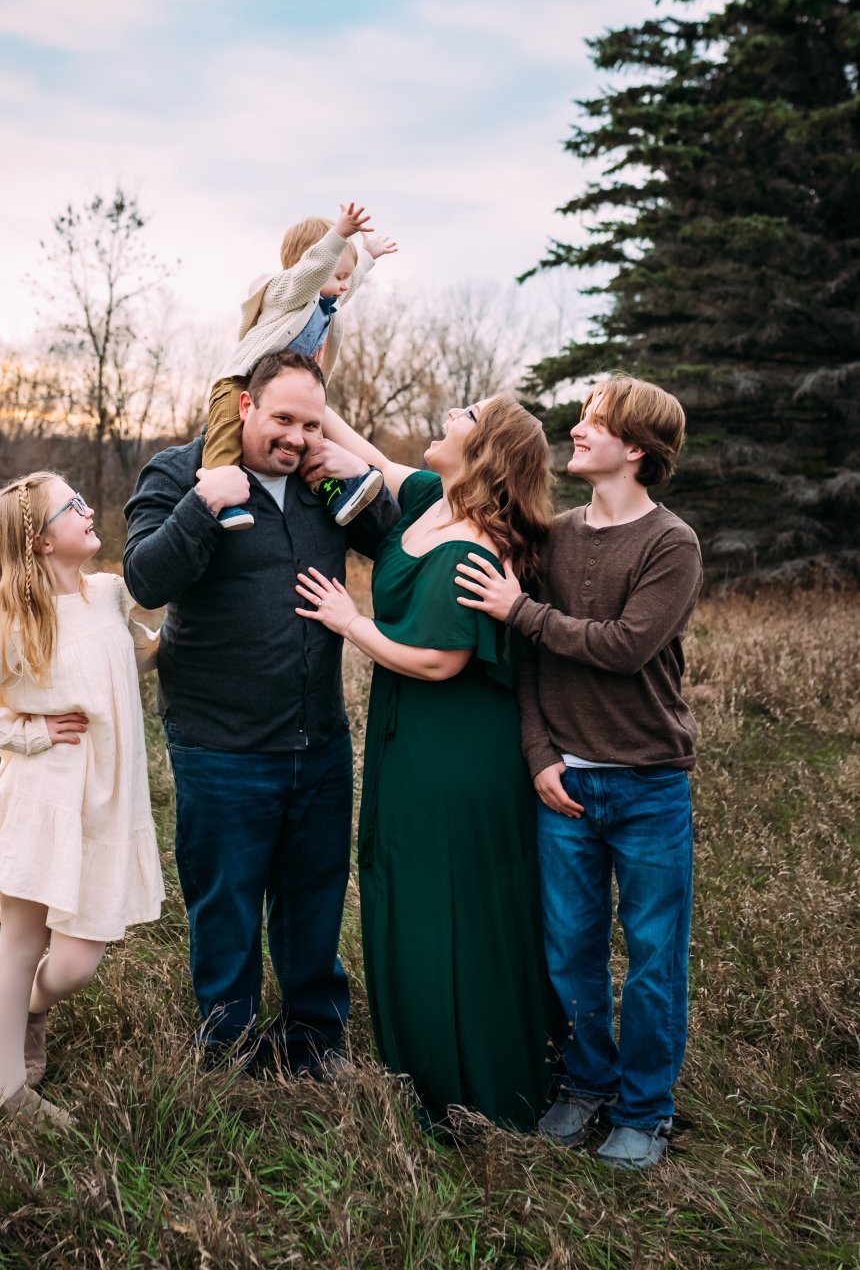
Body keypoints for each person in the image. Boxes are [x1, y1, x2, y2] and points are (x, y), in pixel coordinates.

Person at [122, 350, 399, 1075]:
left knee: (313, 898)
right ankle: (229, 1045)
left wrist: (360, 479)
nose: (296, 437)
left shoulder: (320, 480)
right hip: (220, 742)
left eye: (310, 423)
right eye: (283, 419)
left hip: (319, 735)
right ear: (245, 406)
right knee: (227, 903)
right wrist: (205, 501)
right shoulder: (177, 472)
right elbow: (145, 579)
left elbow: (396, 543)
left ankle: (313, 1039)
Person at [454, 375, 702, 1170]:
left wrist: (518, 610)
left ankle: (646, 1110)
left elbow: (626, 646)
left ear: (635, 448)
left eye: (596, 422)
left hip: (649, 781)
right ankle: (588, 1084)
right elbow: (528, 665)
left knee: (655, 955)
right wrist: (539, 756)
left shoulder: (672, 544)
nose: (578, 429)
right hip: (565, 785)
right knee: (570, 951)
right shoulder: (553, 535)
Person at [294, 395, 559, 1132]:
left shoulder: (476, 545)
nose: (451, 411)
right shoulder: (428, 501)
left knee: (452, 906)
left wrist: (352, 623)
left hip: (460, 753)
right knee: (407, 890)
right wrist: (317, 366)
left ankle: (478, 1088)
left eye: (467, 413)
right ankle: (421, 1069)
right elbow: (368, 452)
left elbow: (440, 661)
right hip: (410, 740)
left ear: (486, 451)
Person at [0, 473, 164, 1128]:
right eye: (71, 506)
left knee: (77, 964)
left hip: (108, 802)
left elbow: (109, 665)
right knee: (23, 944)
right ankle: (11, 1093)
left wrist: (161, 655)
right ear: (40, 540)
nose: (88, 510)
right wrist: (23, 733)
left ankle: (32, 1008)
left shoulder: (109, 595)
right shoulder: (15, 625)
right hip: (45, 798)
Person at [205, 201, 397, 530]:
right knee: (225, 433)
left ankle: (330, 488)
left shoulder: (325, 305)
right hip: (241, 381)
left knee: (312, 440)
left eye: (345, 278)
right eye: (337, 276)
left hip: (288, 397)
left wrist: (368, 258)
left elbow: (347, 283)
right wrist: (338, 234)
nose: (343, 286)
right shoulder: (281, 291)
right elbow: (310, 274)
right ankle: (220, 497)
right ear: (312, 267)